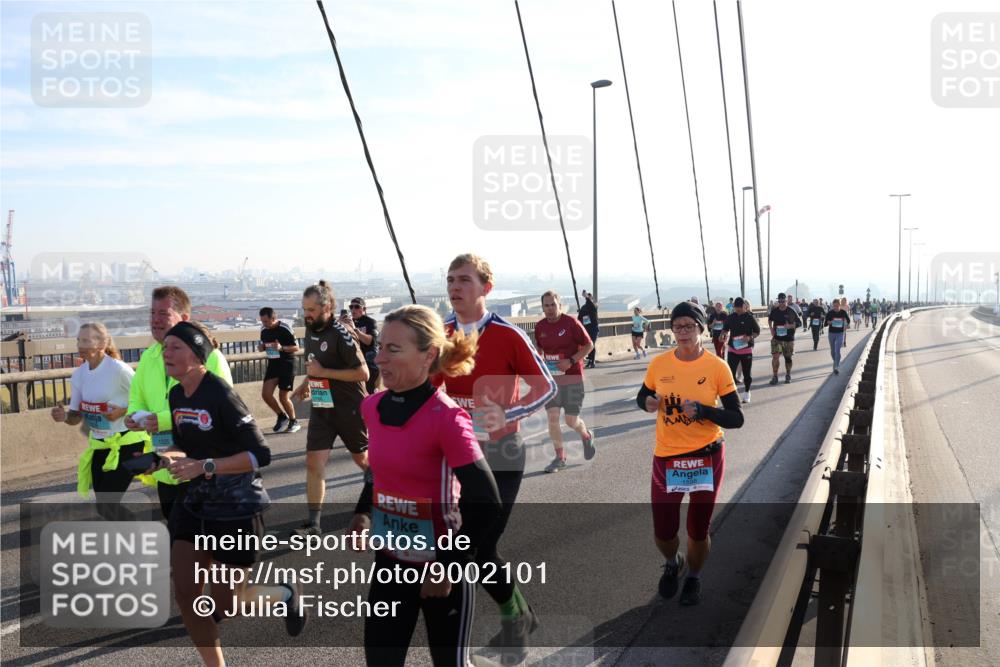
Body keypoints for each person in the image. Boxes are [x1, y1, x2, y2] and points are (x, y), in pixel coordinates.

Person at [346, 305, 503, 667]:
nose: (379, 358)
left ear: (428, 355)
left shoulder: (446, 418)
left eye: (392, 350)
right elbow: (378, 471)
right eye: (380, 347)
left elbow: (486, 501)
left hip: (440, 569)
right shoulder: (371, 407)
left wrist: (448, 564)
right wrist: (364, 512)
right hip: (390, 564)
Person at [150, 321, 305, 667]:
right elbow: (183, 446)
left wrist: (204, 466)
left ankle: (284, 592)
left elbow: (260, 455)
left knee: (227, 605)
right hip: (193, 505)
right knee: (187, 596)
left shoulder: (219, 393)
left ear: (197, 354)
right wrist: (163, 458)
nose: (166, 353)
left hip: (236, 507)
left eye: (175, 347)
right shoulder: (176, 394)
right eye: (165, 347)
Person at [436, 253, 555, 663]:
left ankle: (514, 625)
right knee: (477, 551)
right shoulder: (443, 335)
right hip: (457, 459)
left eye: (464, 280)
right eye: (451, 279)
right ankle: (520, 616)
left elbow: (548, 387)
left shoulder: (507, 335)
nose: (454, 287)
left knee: (473, 548)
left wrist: (511, 412)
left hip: (502, 454)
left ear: (486, 287)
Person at [636, 301, 744, 606]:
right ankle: (673, 562)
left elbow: (736, 417)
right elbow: (642, 395)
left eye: (689, 326)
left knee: (698, 528)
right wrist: (646, 403)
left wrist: (704, 411)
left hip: (706, 456)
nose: (683, 332)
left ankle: (694, 578)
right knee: (663, 528)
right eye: (677, 326)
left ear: (701, 329)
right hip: (667, 457)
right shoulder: (659, 364)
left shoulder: (716, 367)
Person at [126, 286, 233, 521]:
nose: (155, 320)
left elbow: (221, 411)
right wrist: (135, 416)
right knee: (179, 538)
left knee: (206, 543)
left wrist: (162, 420)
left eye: (163, 314)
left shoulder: (211, 357)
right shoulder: (148, 356)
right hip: (167, 471)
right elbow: (136, 397)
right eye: (152, 313)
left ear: (184, 319)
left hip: (202, 469)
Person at [293, 280, 370, 537]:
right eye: (304, 308)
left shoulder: (342, 333)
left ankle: (390, 496)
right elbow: (316, 364)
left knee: (364, 461)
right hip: (322, 406)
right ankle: (314, 524)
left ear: (326, 306)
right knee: (314, 463)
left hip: (349, 408)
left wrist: (324, 372)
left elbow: (363, 373)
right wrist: (306, 383)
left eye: (310, 309)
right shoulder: (310, 330)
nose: (306, 314)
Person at [51, 322, 148, 519]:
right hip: (100, 444)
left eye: (86, 340)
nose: (80, 345)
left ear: (102, 343)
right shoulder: (79, 375)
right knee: (103, 508)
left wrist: (122, 411)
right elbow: (75, 416)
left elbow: (145, 400)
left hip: (128, 444)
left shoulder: (119, 369)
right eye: (79, 340)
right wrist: (64, 417)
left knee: (108, 504)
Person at [534, 290, 596, 473]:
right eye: (546, 305)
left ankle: (586, 435)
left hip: (572, 378)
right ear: (543, 308)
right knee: (552, 418)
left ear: (559, 305)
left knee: (570, 420)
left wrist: (570, 361)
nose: (550, 309)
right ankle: (560, 458)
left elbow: (589, 345)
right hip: (552, 382)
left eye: (553, 304)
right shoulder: (540, 327)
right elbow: (538, 348)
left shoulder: (571, 323)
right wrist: (539, 362)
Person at [258, 307, 300, 433]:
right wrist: (262, 347)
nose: (264, 324)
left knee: (283, 396)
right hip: (273, 364)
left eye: (266, 321)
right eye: (262, 321)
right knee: (266, 394)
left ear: (274, 318)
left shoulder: (285, 328)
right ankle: (282, 416)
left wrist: (282, 348)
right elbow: (265, 345)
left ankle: (294, 421)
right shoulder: (263, 330)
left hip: (287, 364)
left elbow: (296, 348)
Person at [721, 297, 759, 403]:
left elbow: (757, 332)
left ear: (744, 306)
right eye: (735, 308)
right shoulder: (731, 317)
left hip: (746, 350)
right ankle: (734, 394)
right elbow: (726, 328)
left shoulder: (750, 317)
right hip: (733, 349)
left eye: (739, 308)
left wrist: (749, 337)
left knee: (747, 374)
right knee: (730, 374)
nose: (737, 310)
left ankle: (747, 392)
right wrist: (722, 334)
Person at [341, 297, 381, 395]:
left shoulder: (370, 322)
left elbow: (370, 342)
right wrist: (340, 324)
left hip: (369, 361)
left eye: (357, 307)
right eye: (351, 307)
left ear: (364, 309)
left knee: (370, 392)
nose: (353, 309)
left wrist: (355, 330)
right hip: (355, 360)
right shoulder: (348, 322)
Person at [767, 293, 802, 385]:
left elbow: (799, 323)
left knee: (788, 358)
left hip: (788, 339)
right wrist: (771, 329)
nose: (782, 303)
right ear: (778, 301)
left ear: (786, 301)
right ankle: (775, 376)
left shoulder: (791, 311)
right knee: (775, 356)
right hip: (777, 338)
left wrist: (790, 326)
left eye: (783, 301)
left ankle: (788, 374)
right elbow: (770, 320)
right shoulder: (775, 311)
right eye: (780, 301)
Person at [825, 298, 851, 374]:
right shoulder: (830, 313)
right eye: (834, 306)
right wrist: (829, 322)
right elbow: (825, 323)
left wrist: (847, 325)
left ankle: (836, 366)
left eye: (836, 306)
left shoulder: (843, 312)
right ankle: (835, 361)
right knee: (833, 351)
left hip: (840, 333)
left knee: (837, 350)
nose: (835, 307)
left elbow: (848, 320)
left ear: (839, 305)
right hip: (831, 333)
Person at [577, 290, 600, 368]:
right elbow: (580, 318)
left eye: (590, 297)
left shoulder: (594, 305)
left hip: (594, 328)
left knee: (592, 344)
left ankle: (592, 360)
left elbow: (592, 306)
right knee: (588, 344)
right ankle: (590, 359)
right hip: (586, 329)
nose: (589, 298)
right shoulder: (583, 307)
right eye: (588, 296)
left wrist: (587, 297)